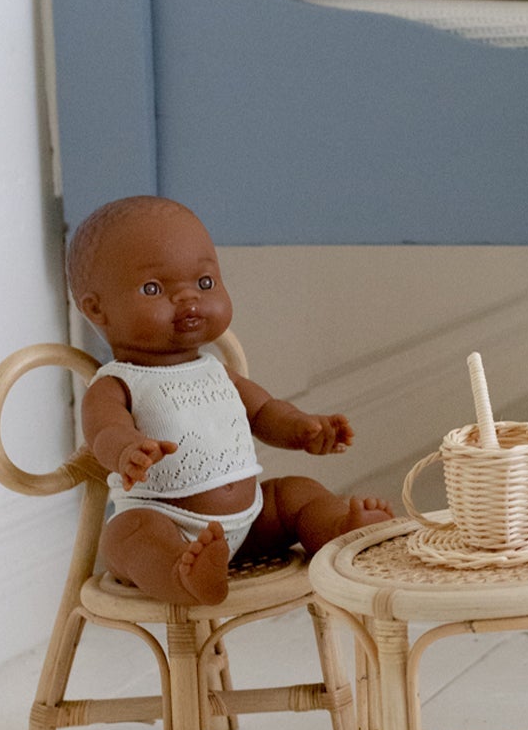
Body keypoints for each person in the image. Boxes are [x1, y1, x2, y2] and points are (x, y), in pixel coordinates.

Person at [70, 194, 394, 604]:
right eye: (153, 288)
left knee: (297, 493)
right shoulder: (117, 384)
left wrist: (303, 429)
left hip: (252, 519)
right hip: (167, 521)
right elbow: (105, 432)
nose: (189, 298)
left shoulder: (217, 371)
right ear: (97, 309)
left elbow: (265, 411)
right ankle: (180, 573)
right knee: (126, 537)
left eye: (204, 283)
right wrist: (126, 451)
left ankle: (339, 529)